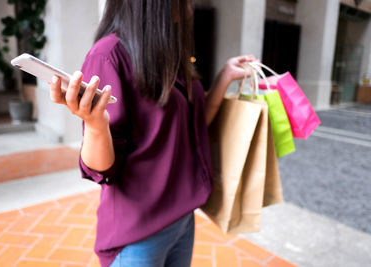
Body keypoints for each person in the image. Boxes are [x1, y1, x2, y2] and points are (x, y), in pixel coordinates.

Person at [49, 1, 256, 266]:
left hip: (182, 217)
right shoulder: (109, 56)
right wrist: (95, 125)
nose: (191, 6)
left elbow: (193, 128)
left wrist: (224, 76)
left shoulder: (170, 54)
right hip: (138, 232)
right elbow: (102, 170)